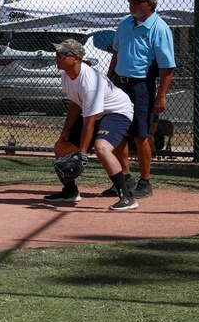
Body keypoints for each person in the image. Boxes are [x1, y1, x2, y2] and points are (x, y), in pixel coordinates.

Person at [104, 0, 176, 200]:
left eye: (137, 1)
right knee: (118, 133)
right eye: (130, 0)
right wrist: (108, 81)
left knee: (140, 134)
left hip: (140, 86)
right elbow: (116, 54)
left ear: (150, 4)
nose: (132, 4)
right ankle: (124, 179)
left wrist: (161, 96)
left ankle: (145, 181)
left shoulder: (159, 28)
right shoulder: (125, 23)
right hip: (119, 84)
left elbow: (167, 67)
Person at [46, 38, 136, 210]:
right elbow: (74, 104)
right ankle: (70, 191)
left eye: (62, 54)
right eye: (57, 54)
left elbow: (90, 122)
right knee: (61, 147)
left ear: (75, 58)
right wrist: (67, 130)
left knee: (102, 147)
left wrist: (82, 154)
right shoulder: (66, 76)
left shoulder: (90, 82)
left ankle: (127, 196)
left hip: (117, 111)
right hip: (98, 113)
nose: (57, 57)